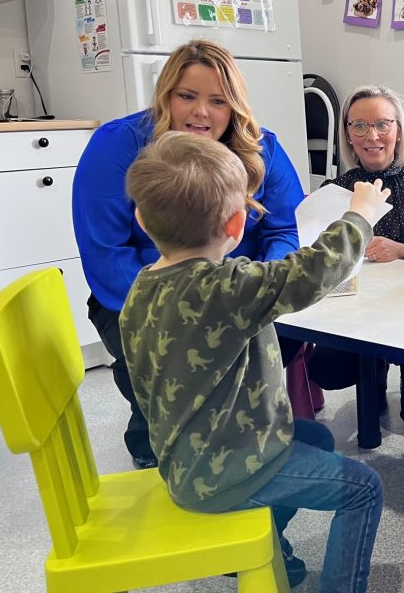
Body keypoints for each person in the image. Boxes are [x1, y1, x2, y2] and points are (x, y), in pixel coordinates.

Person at [120, 131, 387, 593]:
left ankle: (275, 559)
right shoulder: (226, 288)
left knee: (319, 439)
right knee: (363, 489)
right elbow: (313, 271)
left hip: (183, 463)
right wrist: (360, 215)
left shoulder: (140, 287)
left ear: (141, 219)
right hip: (228, 472)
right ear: (237, 224)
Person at [72, 39, 305, 470]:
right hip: (140, 296)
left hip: (234, 290)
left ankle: (241, 439)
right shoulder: (116, 145)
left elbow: (285, 228)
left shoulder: (262, 148)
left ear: (234, 107)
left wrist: (251, 290)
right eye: (187, 96)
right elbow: (105, 254)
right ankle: (151, 444)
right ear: (166, 96)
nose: (201, 112)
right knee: (171, 378)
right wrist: (188, 305)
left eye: (217, 101)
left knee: (279, 341)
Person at [307, 85, 404, 433]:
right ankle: (372, 366)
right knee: (325, 370)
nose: (371, 136)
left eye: (382, 125)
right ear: (347, 133)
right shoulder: (337, 189)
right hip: (359, 313)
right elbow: (321, 257)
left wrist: (403, 251)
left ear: (398, 130)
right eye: (359, 126)